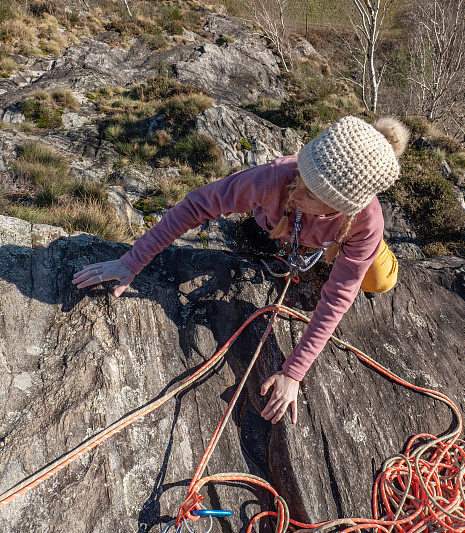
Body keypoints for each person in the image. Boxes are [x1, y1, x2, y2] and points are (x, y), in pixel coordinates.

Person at [72, 115, 410, 425]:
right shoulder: (277, 178)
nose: (297, 190)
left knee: (380, 280)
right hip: (286, 231)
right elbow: (197, 204)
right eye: (303, 177)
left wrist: (293, 373)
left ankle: (351, 253)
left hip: (333, 241)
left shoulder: (366, 223)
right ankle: (279, 235)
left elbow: (339, 296)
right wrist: (132, 261)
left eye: (311, 193)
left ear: (342, 206)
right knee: (267, 228)